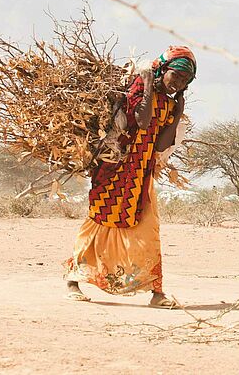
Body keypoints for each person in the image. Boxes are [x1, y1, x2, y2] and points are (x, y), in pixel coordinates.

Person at [64, 45, 196, 307]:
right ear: (161, 70)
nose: (177, 84)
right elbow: (143, 121)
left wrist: (178, 111)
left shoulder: (170, 105)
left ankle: (156, 292)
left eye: (184, 81)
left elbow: (161, 146)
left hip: (142, 173)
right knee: (99, 222)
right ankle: (73, 279)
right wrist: (147, 85)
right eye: (175, 76)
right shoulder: (138, 87)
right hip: (115, 169)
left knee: (148, 229)